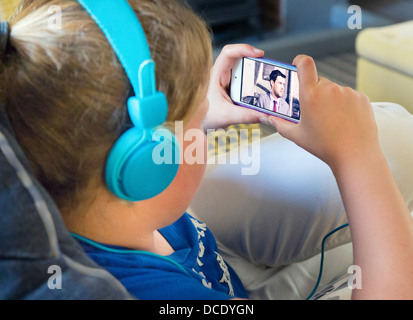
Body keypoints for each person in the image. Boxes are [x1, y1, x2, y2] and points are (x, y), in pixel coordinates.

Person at [1, 0, 413, 300]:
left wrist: (201, 112)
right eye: (198, 124)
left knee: (393, 131)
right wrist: (357, 157)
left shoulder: (85, 194)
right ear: (145, 168)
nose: (205, 130)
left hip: (223, 263)